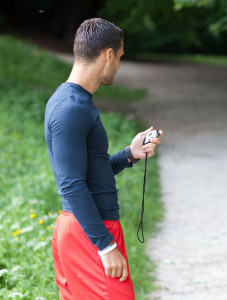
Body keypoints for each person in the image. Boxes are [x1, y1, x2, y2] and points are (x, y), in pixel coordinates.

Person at [44, 18, 163, 299]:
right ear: (108, 54)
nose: (119, 65)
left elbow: (86, 173)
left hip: (85, 227)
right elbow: (72, 184)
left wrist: (129, 155)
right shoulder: (71, 108)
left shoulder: (74, 102)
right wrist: (106, 246)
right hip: (90, 230)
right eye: (120, 57)